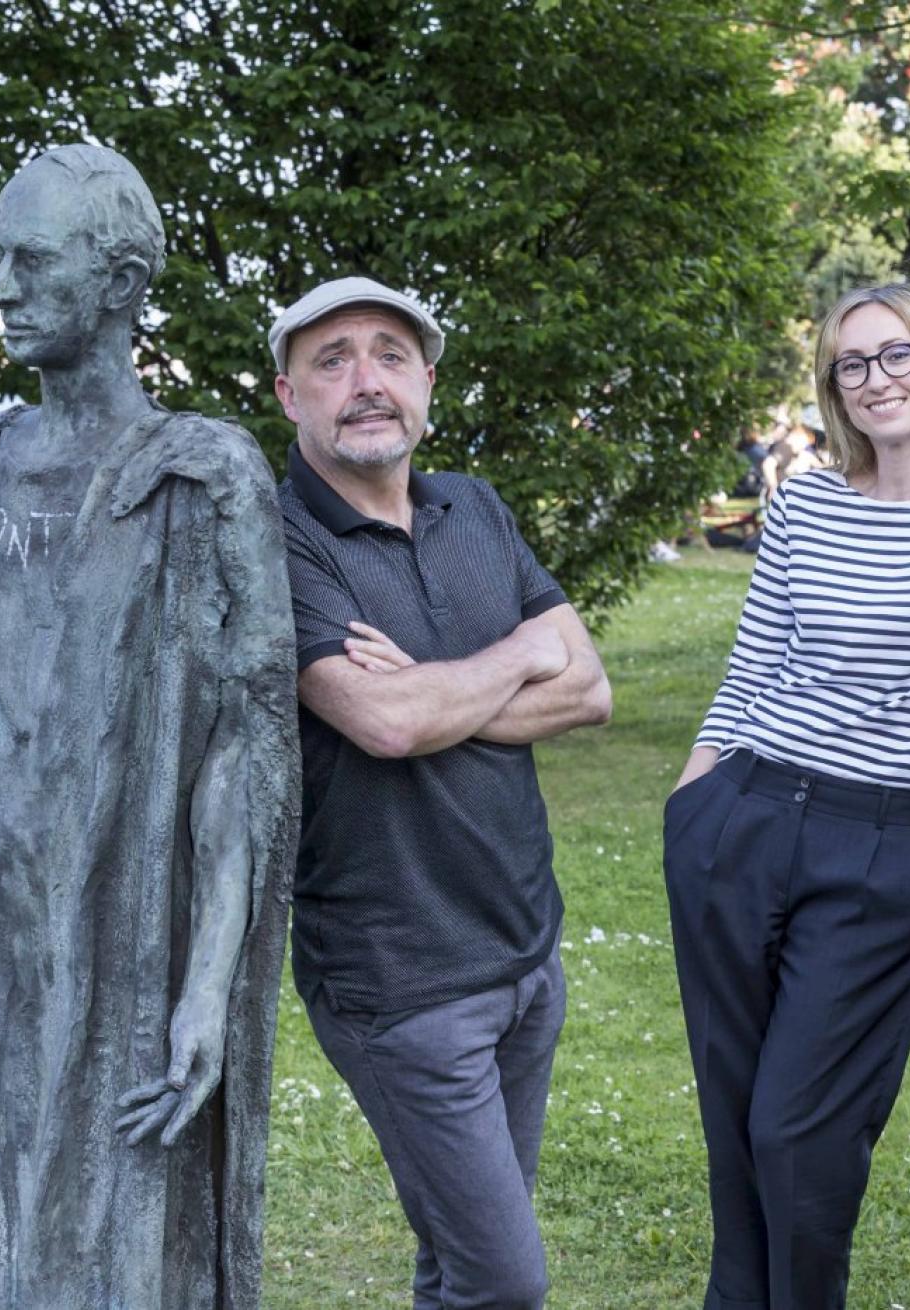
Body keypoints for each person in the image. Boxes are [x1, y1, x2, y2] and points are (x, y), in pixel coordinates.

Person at [0, 144, 299, 1308]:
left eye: (29, 261)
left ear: (123, 283)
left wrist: (208, 981)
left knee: (129, 1253)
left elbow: (249, 746)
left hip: (131, 941)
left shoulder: (206, 476)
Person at [663, 282, 910, 1308]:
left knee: (798, 1127)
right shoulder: (808, 499)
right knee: (735, 1122)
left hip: (882, 845)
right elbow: (755, 657)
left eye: (897, 355)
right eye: (851, 365)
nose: (876, 380)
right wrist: (694, 794)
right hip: (741, 819)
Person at [271, 275, 612, 1308]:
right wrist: (518, 654)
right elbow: (383, 721)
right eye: (332, 360)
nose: (365, 381)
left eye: (389, 353)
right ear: (289, 395)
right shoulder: (272, 539)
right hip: (399, 979)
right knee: (505, 1279)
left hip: (523, 951)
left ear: (428, 379)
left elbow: (590, 689)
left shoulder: (476, 506)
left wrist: (440, 674)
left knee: (458, 1262)